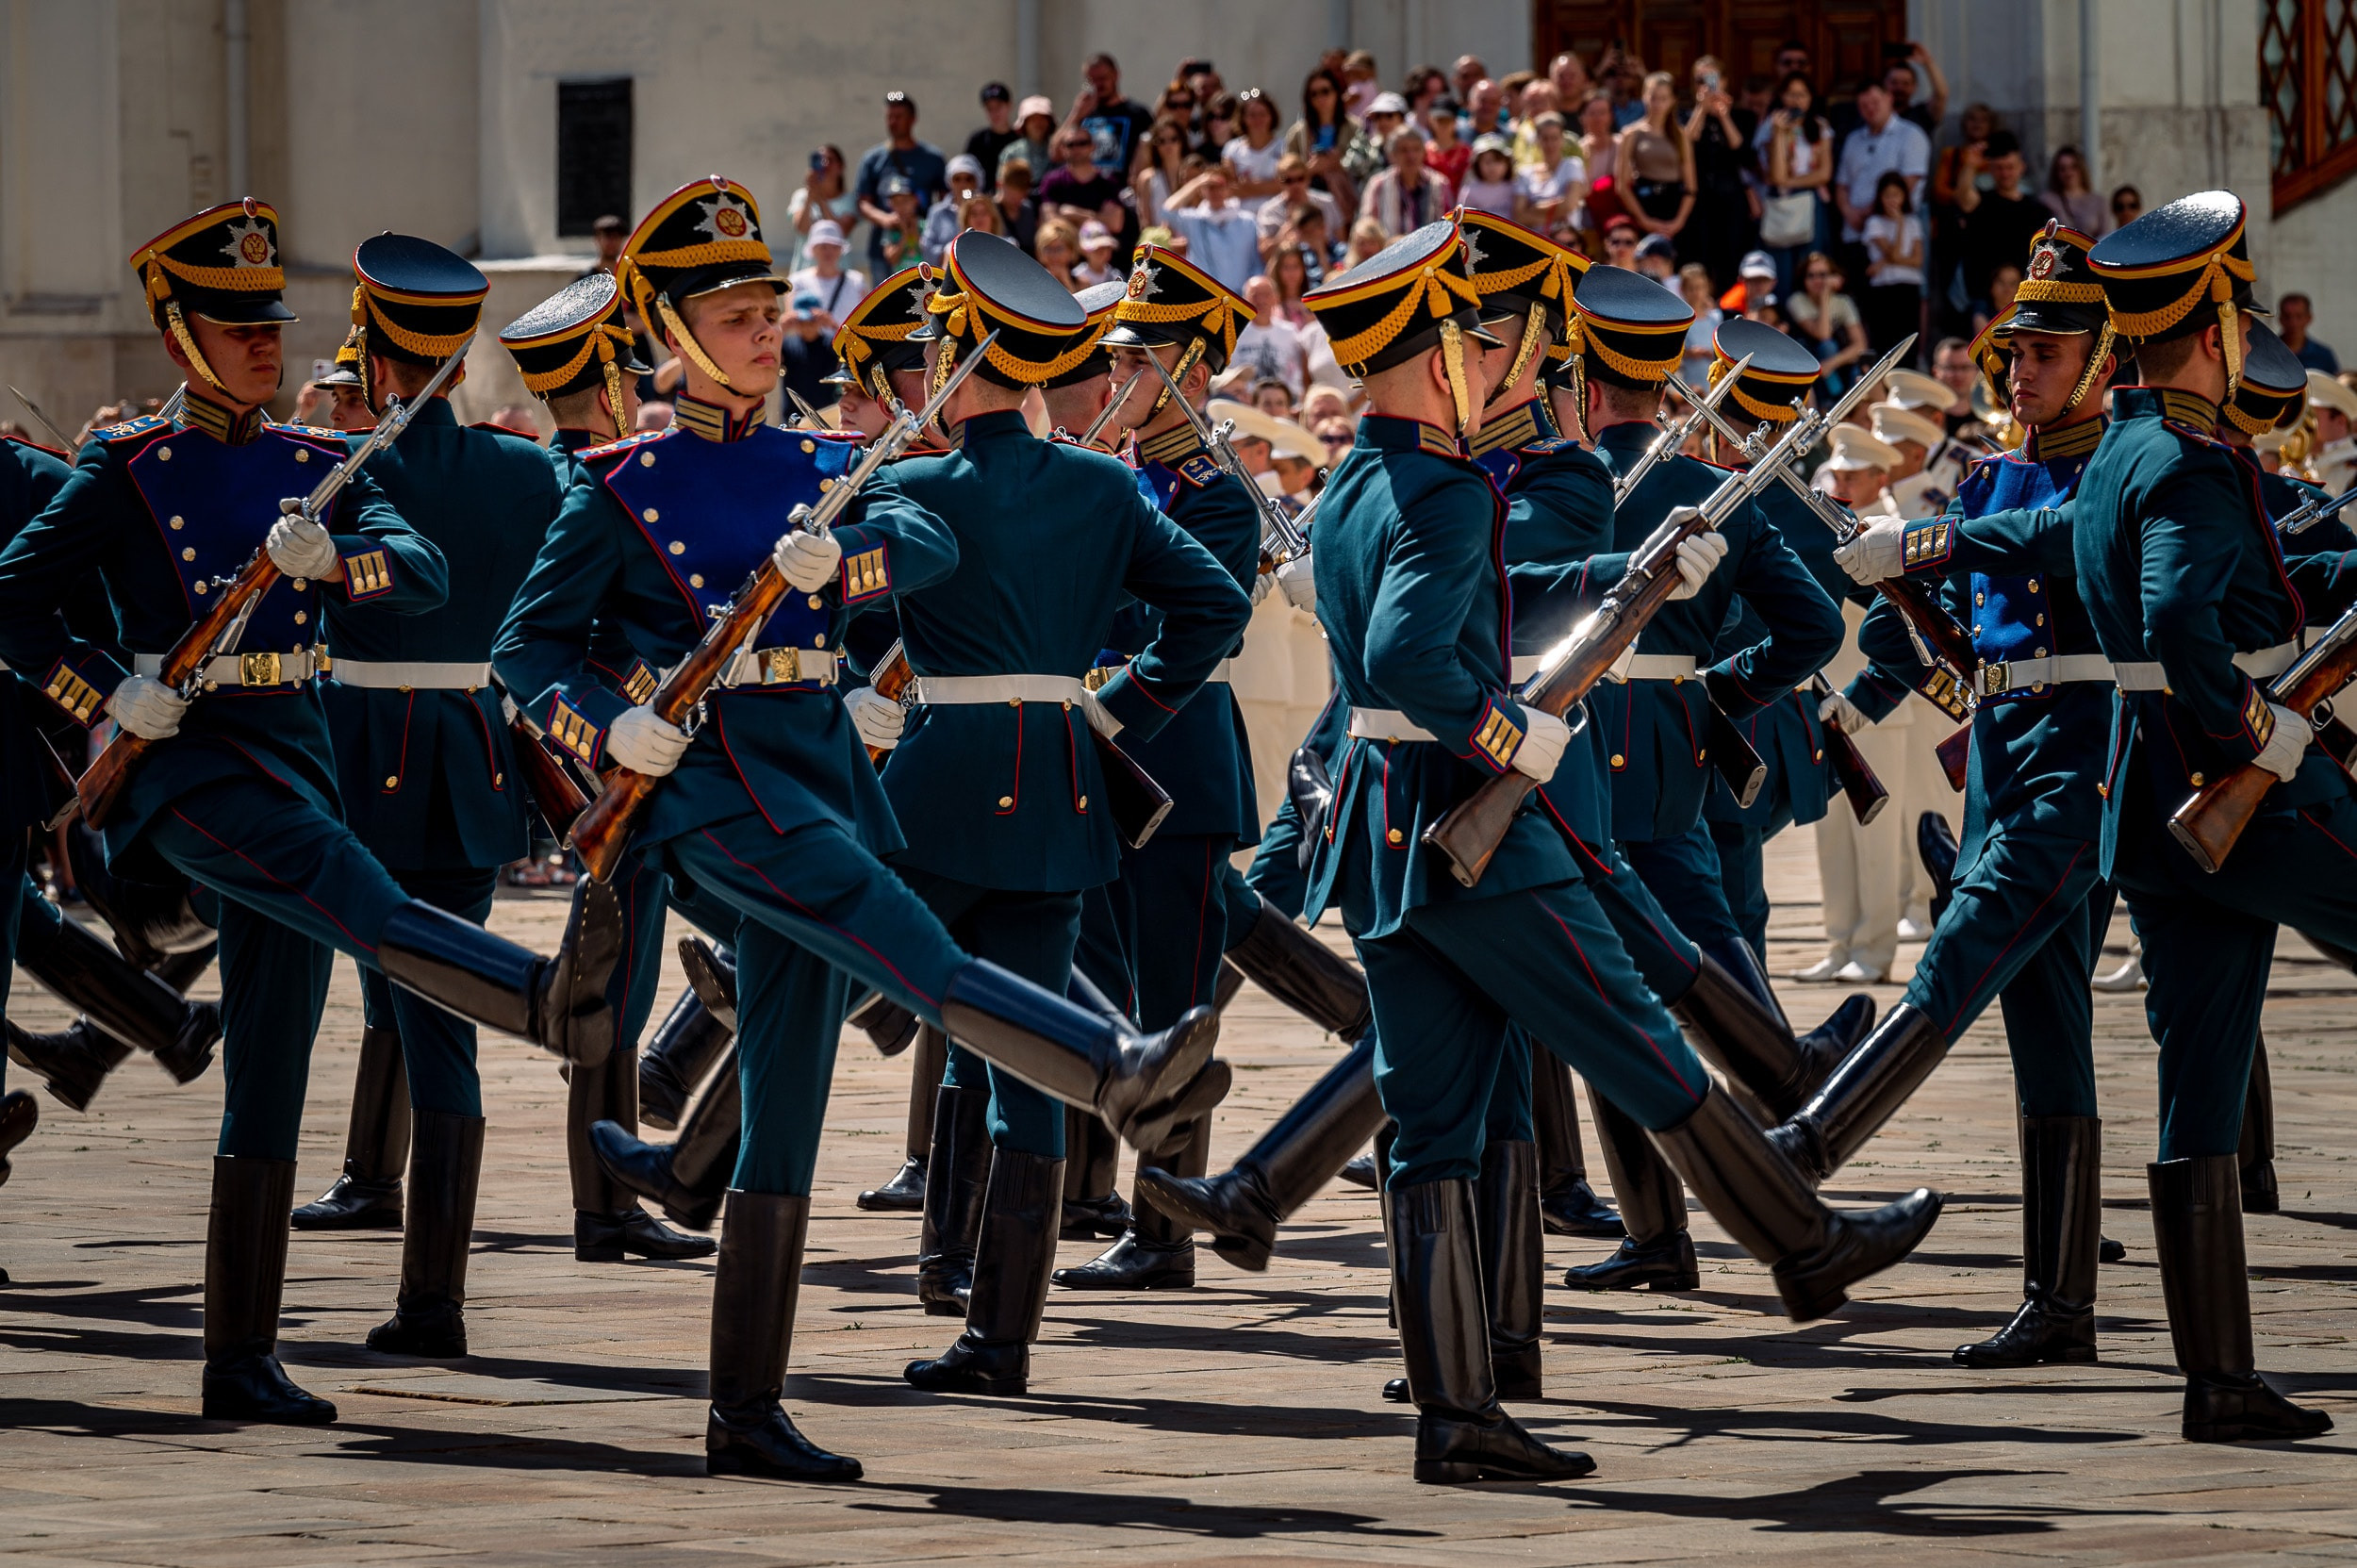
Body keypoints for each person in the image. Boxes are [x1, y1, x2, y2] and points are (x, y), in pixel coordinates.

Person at [496, 197, 1228, 1478]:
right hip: (717, 785)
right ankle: (1113, 1062)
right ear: (671, 336)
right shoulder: (627, 486)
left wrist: (848, 563)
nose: (767, 332)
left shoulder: (821, 470)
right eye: (736, 316)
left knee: (790, 1087)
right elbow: (529, 646)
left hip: (826, 775)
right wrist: (607, 727)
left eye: (773, 311)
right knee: (907, 947)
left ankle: (744, 1404)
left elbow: (931, 541)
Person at [1265, 217, 1937, 1483]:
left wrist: (1627, 572)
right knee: (1633, 1036)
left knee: (1432, 1121)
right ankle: (1803, 1240)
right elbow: (1426, 652)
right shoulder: (1455, 484)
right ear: (1434, 353)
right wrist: (1503, 727)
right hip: (1474, 825)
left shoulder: (1359, 480)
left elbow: (1475, 605)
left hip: (1384, 826)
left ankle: (1459, 1410)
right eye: (1470, 338)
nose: (1491, 356)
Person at [0, 198, 624, 1425]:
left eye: (268, 321)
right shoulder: (126, 468)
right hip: (190, 766)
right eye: (233, 324)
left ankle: (240, 1357)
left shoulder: (313, 468)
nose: (260, 343)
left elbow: (424, 568)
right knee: (356, 893)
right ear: (179, 334)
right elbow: (14, 600)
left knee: (274, 1063)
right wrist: (102, 685)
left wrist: (337, 560)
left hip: (302, 748)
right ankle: (533, 994)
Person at [1842, 192, 2352, 1444]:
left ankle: (2212, 1370)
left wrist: (1937, 539)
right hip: (2159, 772)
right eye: (2013, 349)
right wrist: (2265, 733)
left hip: (2126, 785)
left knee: (2184, 1047)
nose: (2020, 368)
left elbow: (2255, 573)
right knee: (2115, 1038)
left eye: (2044, 349)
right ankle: (2143, 1333)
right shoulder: (2159, 458)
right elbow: (2174, 614)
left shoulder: (2124, 449)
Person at [865, 232, 1248, 1384]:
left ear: (959, 356)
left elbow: (841, 621)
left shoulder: (908, 483)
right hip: (1061, 785)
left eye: (935, 348)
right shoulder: (1096, 482)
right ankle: (998, 1336)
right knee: (1023, 1052)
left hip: (936, 781)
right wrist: (1122, 704)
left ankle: (696, 1162)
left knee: (832, 977)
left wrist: (858, 703)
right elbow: (1213, 605)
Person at [1047, 246, 1264, 1293]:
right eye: (1116, 357)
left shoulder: (1216, 492)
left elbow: (1187, 619)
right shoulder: (1108, 474)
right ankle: (1087, 1184)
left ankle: (1165, 1225)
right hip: (1089, 757)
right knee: (1091, 983)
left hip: (1168, 756)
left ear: (1193, 370)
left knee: (1175, 999)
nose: (1116, 376)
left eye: (1141, 358)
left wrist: (1113, 700)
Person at [855, 91, 948, 276]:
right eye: (889, 117)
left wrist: (929, 227)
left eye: (899, 117)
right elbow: (862, 202)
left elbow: (946, 201)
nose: (893, 122)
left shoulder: (933, 158)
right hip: (885, 249)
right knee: (884, 304)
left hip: (923, 248)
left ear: (913, 119)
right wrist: (885, 219)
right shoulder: (872, 159)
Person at [1953, 131, 2046, 317]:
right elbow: (1963, 197)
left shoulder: (2037, 210)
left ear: (2021, 168)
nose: (2005, 173)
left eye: (2010, 167)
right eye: (1999, 168)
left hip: (2025, 299)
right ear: (1991, 170)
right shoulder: (1982, 202)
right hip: (1984, 300)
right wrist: (1970, 166)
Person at [1684, 57, 1757, 289]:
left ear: (1724, 81)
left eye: (1712, 79)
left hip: (1732, 197)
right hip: (1700, 198)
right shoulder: (1687, 116)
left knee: (1732, 256)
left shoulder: (1742, 116)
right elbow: (1685, 145)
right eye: (1700, 80)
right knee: (1701, 256)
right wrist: (1701, 110)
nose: (1706, 86)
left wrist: (1723, 115)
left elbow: (1743, 151)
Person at [1758, 73, 1834, 295]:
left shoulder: (1820, 127)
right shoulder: (1770, 126)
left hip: (1809, 202)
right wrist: (1779, 134)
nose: (1796, 100)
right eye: (1791, 94)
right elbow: (1775, 175)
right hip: (1781, 206)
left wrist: (1789, 181)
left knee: (1810, 263)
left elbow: (1824, 173)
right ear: (1782, 96)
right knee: (1781, 266)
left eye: (1802, 95)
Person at [1833, 81, 1930, 256]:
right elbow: (1842, 184)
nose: (1870, 109)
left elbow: (1909, 182)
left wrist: (1870, 212)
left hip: (1892, 234)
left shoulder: (1911, 135)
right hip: (1854, 232)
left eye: (1875, 102)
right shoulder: (1853, 139)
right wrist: (1850, 213)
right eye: (1864, 105)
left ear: (1889, 99)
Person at [1616, 72, 1694, 251]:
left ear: (1673, 100)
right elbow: (1621, 185)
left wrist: (1678, 222)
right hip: (1645, 203)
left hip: (1674, 207)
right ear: (1644, 96)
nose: (1657, 104)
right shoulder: (1631, 133)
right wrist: (1644, 220)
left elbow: (1691, 187)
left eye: (1663, 98)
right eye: (1653, 97)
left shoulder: (1681, 135)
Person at [1156, 166, 1263, 292]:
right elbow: (1166, 210)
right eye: (1211, 187)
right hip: (1204, 297)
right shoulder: (1194, 220)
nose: (1216, 192)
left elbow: (1255, 262)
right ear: (1202, 190)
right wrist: (1198, 182)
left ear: (1228, 188)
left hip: (1239, 299)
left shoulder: (1247, 222)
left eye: (1220, 186)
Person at [1861, 172, 1924, 359]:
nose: (1892, 200)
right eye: (1888, 195)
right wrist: (1898, 225)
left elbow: (1917, 260)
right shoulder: (1874, 223)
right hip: (1884, 288)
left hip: (1909, 285)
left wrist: (1881, 263)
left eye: (1896, 195)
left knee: (1908, 336)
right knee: (1885, 338)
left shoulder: (1913, 222)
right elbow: (1894, 254)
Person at [1065, 53, 1156, 182]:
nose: (1098, 85)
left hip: (1123, 192)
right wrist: (1076, 114)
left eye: (1102, 78)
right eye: (1092, 80)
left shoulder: (1138, 114)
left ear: (1116, 75)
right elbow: (1056, 153)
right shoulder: (1081, 114)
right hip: (1085, 192)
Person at [1283, 66, 1361, 213]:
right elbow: (1286, 171)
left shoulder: (1355, 127)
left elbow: (1365, 167)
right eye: (1314, 94)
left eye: (1325, 91)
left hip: (1346, 201)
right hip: (1309, 203)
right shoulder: (1297, 133)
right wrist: (1310, 169)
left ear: (1337, 93)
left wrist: (1338, 163)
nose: (1321, 98)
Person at [1788, 252, 1867, 396]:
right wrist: (1824, 296)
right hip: (1809, 367)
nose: (1817, 280)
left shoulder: (1843, 302)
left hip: (1838, 365)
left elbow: (1860, 345)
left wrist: (1832, 363)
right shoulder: (1797, 300)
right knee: (1827, 346)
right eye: (1811, 276)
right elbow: (1823, 335)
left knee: (1861, 369)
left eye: (1822, 275)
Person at [1359, 126, 1453, 239]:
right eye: (1404, 150)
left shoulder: (1439, 184)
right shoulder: (1378, 185)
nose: (1411, 156)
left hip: (1432, 253)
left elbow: (1450, 225)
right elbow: (1368, 227)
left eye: (1416, 149)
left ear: (1424, 153)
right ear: (1392, 155)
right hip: (1389, 252)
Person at [786, 147, 857, 277]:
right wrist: (810, 194)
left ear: (840, 167)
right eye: (820, 160)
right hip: (805, 272)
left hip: (838, 275)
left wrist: (820, 199)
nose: (824, 164)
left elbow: (841, 232)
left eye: (830, 160)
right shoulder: (801, 196)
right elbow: (801, 228)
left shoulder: (849, 200)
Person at [1514, 112, 1586, 233]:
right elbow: (1519, 216)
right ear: (1537, 140)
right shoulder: (1524, 173)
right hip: (1536, 243)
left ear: (1562, 139)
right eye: (1545, 138)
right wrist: (1557, 207)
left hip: (1567, 242)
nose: (1550, 144)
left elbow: (1570, 204)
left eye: (1555, 138)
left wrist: (1534, 208)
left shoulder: (1573, 165)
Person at [786, 220, 866, 324]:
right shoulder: (797, 281)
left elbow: (865, 321)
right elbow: (791, 321)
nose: (829, 252)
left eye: (834, 247)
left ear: (841, 250)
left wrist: (832, 325)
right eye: (823, 247)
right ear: (813, 249)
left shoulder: (857, 280)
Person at [1257, 156, 1345, 247]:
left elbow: (1341, 242)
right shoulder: (1269, 211)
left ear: (1308, 178)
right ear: (1279, 181)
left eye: (1300, 178)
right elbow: (1265, 252)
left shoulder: (1327, 202)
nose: (1295, 185)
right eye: (1288, 180)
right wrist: (1284, 235)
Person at [921, 156, 986, 267]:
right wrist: (952, 253)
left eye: (969, 178)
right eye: (957, 179)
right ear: (949, 181)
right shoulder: (937, 212)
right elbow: (927, 248)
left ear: (977, 181)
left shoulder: (988, 209)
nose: (963, 184)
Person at [1223, 89, 1286, 199]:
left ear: (1271, 116)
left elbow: (1286, 184)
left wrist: (1249, 185)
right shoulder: (1231, 148)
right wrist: (1269, 186)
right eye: (1252, 115)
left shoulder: (1284, 147)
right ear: (1243, 118)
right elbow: (1230, 188)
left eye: (1262, 114)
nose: (1258, 119)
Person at [1136, 115, 1195, 228]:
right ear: (1155, 145)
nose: (1168, 145)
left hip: (1190, 239)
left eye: (1174, 139)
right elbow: (1145, 221)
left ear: (1182, 141)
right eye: (1161, 141)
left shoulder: (1193, 173)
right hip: (1159, 240)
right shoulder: (1147, 178)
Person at [2040, 144, 2107, 235]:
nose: (2069, 173)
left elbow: (2106, 234)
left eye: (2073, 167)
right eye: (2063, 169)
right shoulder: (2048, 201)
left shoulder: (2098, 202)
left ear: (2081, 169)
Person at [965, 82, 1020, 192]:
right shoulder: (977, 140)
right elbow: (966, 176)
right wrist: (967, 203)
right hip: (982, 204)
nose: (995, 113)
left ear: (1009, 106)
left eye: (999, 107)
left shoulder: (1020, 140)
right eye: (990, 108)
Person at [2309, 369, 2357, 493]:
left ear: (2340, 421)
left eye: (2312, 414)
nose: (2305, 420)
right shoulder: (2303, 460)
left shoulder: (2352, 468)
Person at [1458, 135, 1518, 218]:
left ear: (1508, 163)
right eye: (1487, 162)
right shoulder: (1470, 191)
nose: (1492, 167)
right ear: (1477, 165)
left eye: (1498, 161)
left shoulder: (1516, 188)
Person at [2280, 292, 2340, 373]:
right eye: (2287, 316)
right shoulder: (2268, 353)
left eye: (2299, 316)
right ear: (2280, 319)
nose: (2293, 322)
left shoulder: (2324, 356)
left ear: (2309, 318)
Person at [1005, 94, 1058, 187]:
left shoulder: (1059, 151)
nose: (1038, 123)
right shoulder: (1011, 153)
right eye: (1033, 119)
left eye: (1042, 118)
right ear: (1024, 124)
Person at [1424, 96, 1471, 196]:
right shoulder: (1423, 152)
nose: (1444, 125)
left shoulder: (1467, 152)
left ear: (1455, 121)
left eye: (1448, 120)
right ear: (1430, 120)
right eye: (1440, 120)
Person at [993, 157, 1041, 255]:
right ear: (1000, 185)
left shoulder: (1028, 210)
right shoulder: (988, 211)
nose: (1018, 199)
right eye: (1012, 193)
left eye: (1022, 193)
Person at [580, 214, 628, 279]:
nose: (612, 242)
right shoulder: (585, 279)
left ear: (622, 239)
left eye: (616, 237)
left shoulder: (629, 277)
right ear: (597, 239)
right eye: (607, 237)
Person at [1075, 220, 1119, 287]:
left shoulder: (1115, 275)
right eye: (1097, 250)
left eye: (1107, 248)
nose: (1104, 253)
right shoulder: (1076, 276)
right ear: (1084, 251)